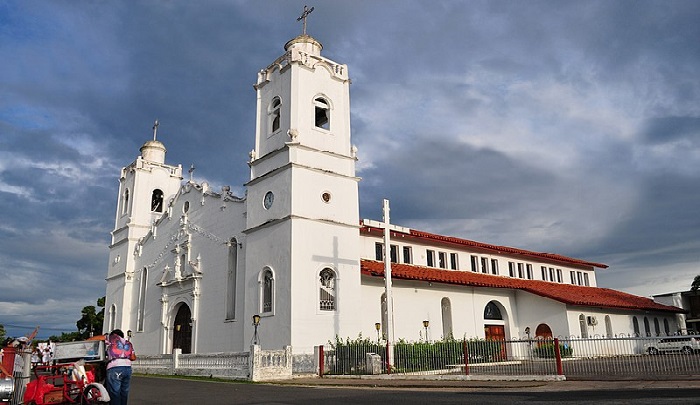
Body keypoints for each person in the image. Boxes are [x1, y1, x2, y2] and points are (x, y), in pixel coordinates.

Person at [105, 329, 135, 405]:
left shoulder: (112, 338)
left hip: (115, 367)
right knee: (124, 393)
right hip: (127, 368)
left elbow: (98, 338)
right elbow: (133, 357)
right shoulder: (128, 343)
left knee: (115, 393)